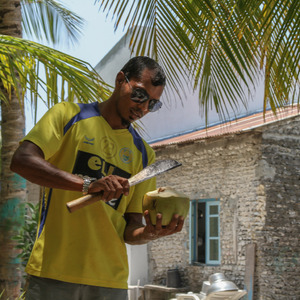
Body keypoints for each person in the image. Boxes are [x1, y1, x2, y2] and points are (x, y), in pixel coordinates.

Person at [10, 56, 184, 300]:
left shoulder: (144, 155)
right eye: (139, 95)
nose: (143, 108)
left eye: (153, 104)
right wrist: (87, 184)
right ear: (120, 80)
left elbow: (130, 226)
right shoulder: (69, 115)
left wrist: (150, 233)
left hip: (110, 282)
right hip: (54, 271)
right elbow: (22, 160)